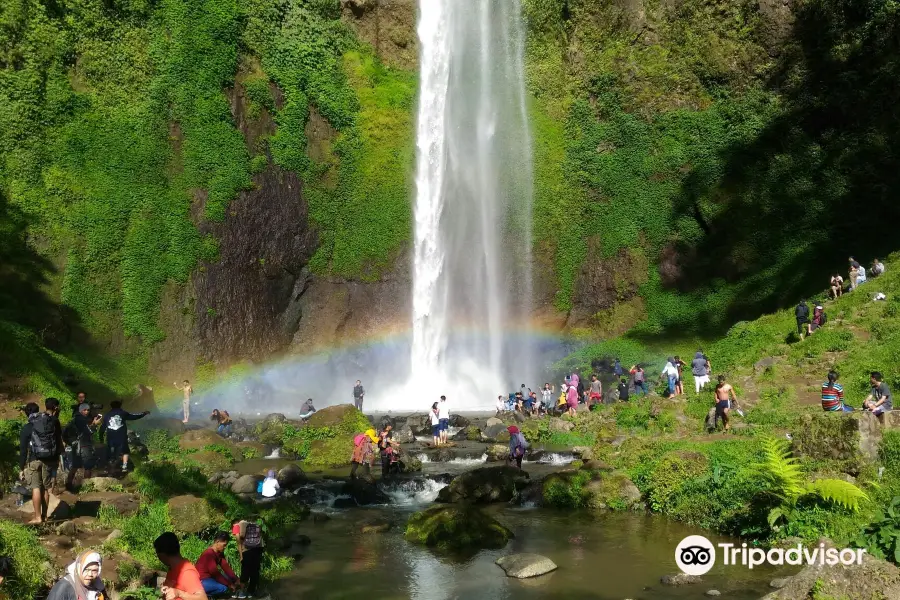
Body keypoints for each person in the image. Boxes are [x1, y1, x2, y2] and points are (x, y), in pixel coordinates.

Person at [19, 400, 63, 524]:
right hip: (48, 460)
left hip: (34, 460)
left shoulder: (27, 427)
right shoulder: (49, 423)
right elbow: (57, 439)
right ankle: (45, 516)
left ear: (26, 414)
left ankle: (38, 517)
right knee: (45, 489)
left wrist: (21, 468)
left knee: (36, 488)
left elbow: (23, 450)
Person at [154, 532, 207, 600]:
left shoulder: (187, 572)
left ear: (162, 555)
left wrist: (179, 593)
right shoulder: (173, 568)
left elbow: (203, 598)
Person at [101, 400, 149, 472]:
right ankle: (124, 467)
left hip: (110, 437)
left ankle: (109, 469)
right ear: (120, 406)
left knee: (111, 453)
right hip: (121, 437)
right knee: (125, 452)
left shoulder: (107, 415)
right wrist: (144, 413)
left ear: (111, 406)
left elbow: (102, 428)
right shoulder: (123, 413)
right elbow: (134, 417)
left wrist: (101, 438)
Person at [64, 403, 102, 492]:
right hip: (84, 446)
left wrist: (70, 443)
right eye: (85, 410)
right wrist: (95, 424)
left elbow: (65, 434)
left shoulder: (74, 420)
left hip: (75, 445)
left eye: (88, 410)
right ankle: (86, 487)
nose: (87, 412)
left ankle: (68, 486)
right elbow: (88, 431)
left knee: (75, 466)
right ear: (81, 410)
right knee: (88, 466)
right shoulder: (81, 419)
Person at [196, 532, 241, 597]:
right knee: (223, 588)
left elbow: (226, 568)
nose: (225, 547)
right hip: (202, 580)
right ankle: (202, 595)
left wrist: (236, 579)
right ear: (217, 542)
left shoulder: (219, 553)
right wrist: (229, 584)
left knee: (230, 578)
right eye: (224, 545)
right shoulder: (209, 554)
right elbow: (215, 574)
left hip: (210, 578)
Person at [231, 519, 264, 597]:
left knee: (245, 571)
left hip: (247, 550)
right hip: (258, 549)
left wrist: (241, 555)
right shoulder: (252, 524)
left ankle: (242, 593)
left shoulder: (236, 526)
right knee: (255, 571)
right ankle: (251, 592)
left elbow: (239, 542)